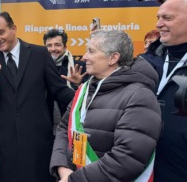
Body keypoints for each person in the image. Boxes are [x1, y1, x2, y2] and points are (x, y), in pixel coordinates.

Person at [49, 30, 161, 181]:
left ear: (113, 58)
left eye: (91, 51)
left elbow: (127, 159)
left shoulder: (139, 96)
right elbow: (64, 128)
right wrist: (63, 169)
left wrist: (74, 179)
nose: (84, 57)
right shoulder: (85, 89)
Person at [0, 12, 75, 182]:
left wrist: (83, 100)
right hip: (5, 147)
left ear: (13, 29)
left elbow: (58, 91)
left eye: (1, 32)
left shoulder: (40, 54)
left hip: (38, 143)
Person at [146, 0, 187, 181]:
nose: (158, 24)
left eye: (167, 18)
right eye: (158, 18)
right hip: (149, 170)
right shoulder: (148, 62)